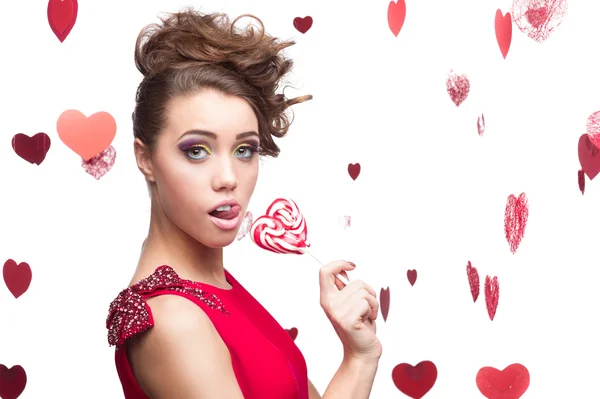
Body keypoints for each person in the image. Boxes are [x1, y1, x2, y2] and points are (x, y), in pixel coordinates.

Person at [105, 7, 382, 399]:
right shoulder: (173, 320)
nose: (229, 178)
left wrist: (359, 356)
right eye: (197, 150)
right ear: (145, 158)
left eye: (245, 150)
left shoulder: (217, 288)